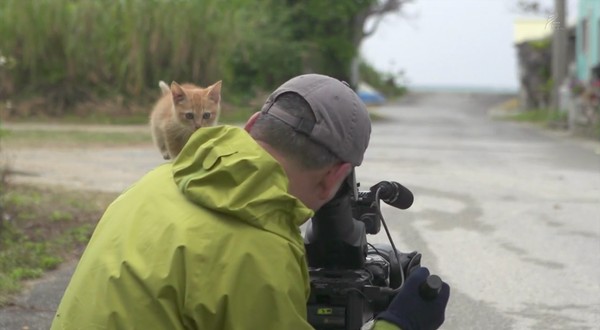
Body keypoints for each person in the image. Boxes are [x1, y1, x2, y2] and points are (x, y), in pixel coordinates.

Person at [51, 74, 449, 330]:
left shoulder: (151, 186)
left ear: (252, 126)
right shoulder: (259, 254)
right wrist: (400, 324)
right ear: (335, 176)